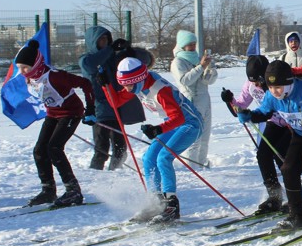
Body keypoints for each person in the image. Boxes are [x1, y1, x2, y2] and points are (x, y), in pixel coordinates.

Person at [237, 60, 302, 231]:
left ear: (289, 83)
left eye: (278, 87)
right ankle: (296, 216)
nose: (274, 91)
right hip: (301, 133)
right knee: (288, 168)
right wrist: (249, 115)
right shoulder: (272, 96)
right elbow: (264, 112)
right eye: (270, 87)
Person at [113, 57, 203, 222]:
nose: (126, 89)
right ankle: (156, 202)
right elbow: (116, 101)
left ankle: (171, 205)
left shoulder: (160, 90)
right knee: (148, 158)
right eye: (123, 85)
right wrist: (103, 85)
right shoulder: (138, 85)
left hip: (190, 123)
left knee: (164, 157)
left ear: (138, 80)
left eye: (129, 85)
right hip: (173, 124)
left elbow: (178, 118)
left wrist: (158, 129)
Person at [16, 39, 95, 207]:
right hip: (53, 114)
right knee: (39, 150)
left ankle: (73, 191)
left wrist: (91, 109)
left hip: (71, 113)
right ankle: (48, 190)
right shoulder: (32, 77)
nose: (22, 72)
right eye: (19, 68)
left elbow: (85, 84)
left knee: (54, 148)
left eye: (25, 67)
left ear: (36, 64)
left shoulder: (56, 76)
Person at [221, 55, 291, 215]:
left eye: (260, 80)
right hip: (272, 122)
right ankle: (275, 197)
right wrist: (229, 100)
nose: (258, 85)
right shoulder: (250, 85)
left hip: (289, 123)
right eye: (254, 81)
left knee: (281, 157)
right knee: (263, 155)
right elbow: (239, 108)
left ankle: (294, 196)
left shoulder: (277, 83)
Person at [78, 26, 145, 171]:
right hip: (99, 110)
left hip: (116, 106)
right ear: (93, 42)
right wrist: (110, 50)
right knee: (101, 150)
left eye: (106, 39)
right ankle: (94, 175)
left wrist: (129, 51)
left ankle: (113, 174)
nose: (104, 42)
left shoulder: (112, 58)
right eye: (101, 39)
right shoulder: (86, 59)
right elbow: (90, 67)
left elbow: (141, 62)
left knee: (120, 149)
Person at [170, 30, 217, 167]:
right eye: (190, 44)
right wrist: (201, 67)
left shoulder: (196, 59)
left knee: (205, 136)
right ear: (183, 45)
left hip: (204, 100)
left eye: (194, 44)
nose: (192, 47)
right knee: (194, 137)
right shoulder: (178, 62)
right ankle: (191, 166)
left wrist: (211, 69)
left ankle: (201, 164)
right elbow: (185, 80)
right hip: (191, 101)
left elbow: (207, 81)